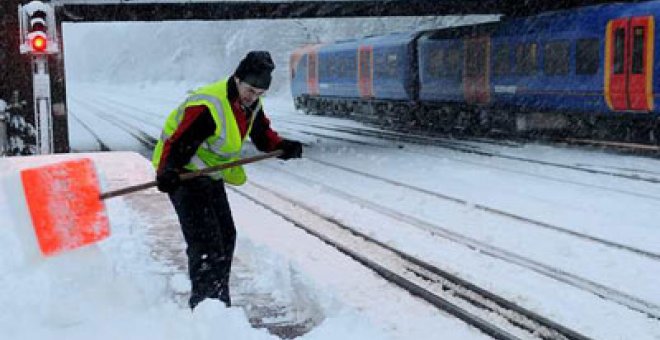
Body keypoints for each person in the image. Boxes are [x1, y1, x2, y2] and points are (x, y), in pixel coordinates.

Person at [151, 51, 303, 309]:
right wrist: (167, 171)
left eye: (258, 93)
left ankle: (219, 303)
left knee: (225, 236)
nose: (252, 97)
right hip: (185, 175)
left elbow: (262, 134)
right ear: (237, 79)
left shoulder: (250, 105)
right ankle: (205, 307)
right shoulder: (209, 105)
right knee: (206, 243)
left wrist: (282, 146)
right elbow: (179, 142)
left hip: (210, 175)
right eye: (249, 90)